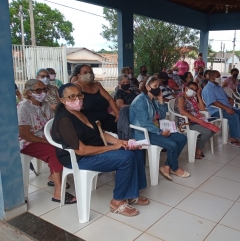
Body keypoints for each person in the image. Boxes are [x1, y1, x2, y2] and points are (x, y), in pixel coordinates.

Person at [52, 83, 148, 216]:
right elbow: (81, 150)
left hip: (94, 150)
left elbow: (100, 133)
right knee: (126, 158)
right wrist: (112, 148)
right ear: (62, 100)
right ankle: (117, 202)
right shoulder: (64, 120)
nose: (77, 99)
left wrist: (120, 142)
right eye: (71, 97)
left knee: (135, 150)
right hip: (78, 158)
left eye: (79, 95)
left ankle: (131, 193)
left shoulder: (83, 112)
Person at [17, 79, 75, 204]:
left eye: (44, 89)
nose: (42, 92)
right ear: (29, 92)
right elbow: (24, 134)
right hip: (28, 142)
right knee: (54, 151)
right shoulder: (23, 107)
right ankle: (59, 193)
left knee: (66, 145)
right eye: (38, 90)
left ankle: (53, 177)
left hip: (45, 138)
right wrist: (47, 142)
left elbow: (51, 125)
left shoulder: (45, 105)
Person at [129, 77, 189, 180]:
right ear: (147, 87)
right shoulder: (140, 100)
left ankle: (166, 167)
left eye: (158, 86)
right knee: (172, 145)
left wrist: (161, 99)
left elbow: (161, 116)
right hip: (144, 133)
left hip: (155, 130)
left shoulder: (152, 99)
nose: (158, 89)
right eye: (155, 86)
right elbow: (144, 123)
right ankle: (175, 168)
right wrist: (160, 132)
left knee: (182, 138)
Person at [202, 70, 240, 148]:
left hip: (227, 107)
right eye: (218, 77)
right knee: (234, 116)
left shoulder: (218, 86)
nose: (220, 78)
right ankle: (232, 138)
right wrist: (226, 108)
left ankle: (239, 134)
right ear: (212, 78)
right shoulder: (208, 89)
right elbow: (213, 102)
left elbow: (225, 96)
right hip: (217, 110)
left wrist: (230, 98)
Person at [72, 64, 119, 133]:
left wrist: (117, 113)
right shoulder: (75, 87)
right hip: (89, 123)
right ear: (79, 76)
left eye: (90, 72)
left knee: (121, 128)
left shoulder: (97, 85)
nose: (88, 74)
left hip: (106, 118)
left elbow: (109, 99)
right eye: (85, 73)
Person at [175, 82, 215, 159]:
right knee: (208, 132)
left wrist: (198, 95)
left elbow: (202, 109)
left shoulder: (192, 99)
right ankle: (198, 149)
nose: (193, 91)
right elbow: (182, 112)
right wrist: (197, 120)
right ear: (186, 88)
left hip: (195, 120)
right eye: (192, 89)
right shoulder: (181, 98)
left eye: (195, 90)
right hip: (186, 123)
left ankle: (198, 146)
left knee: (213, 129)